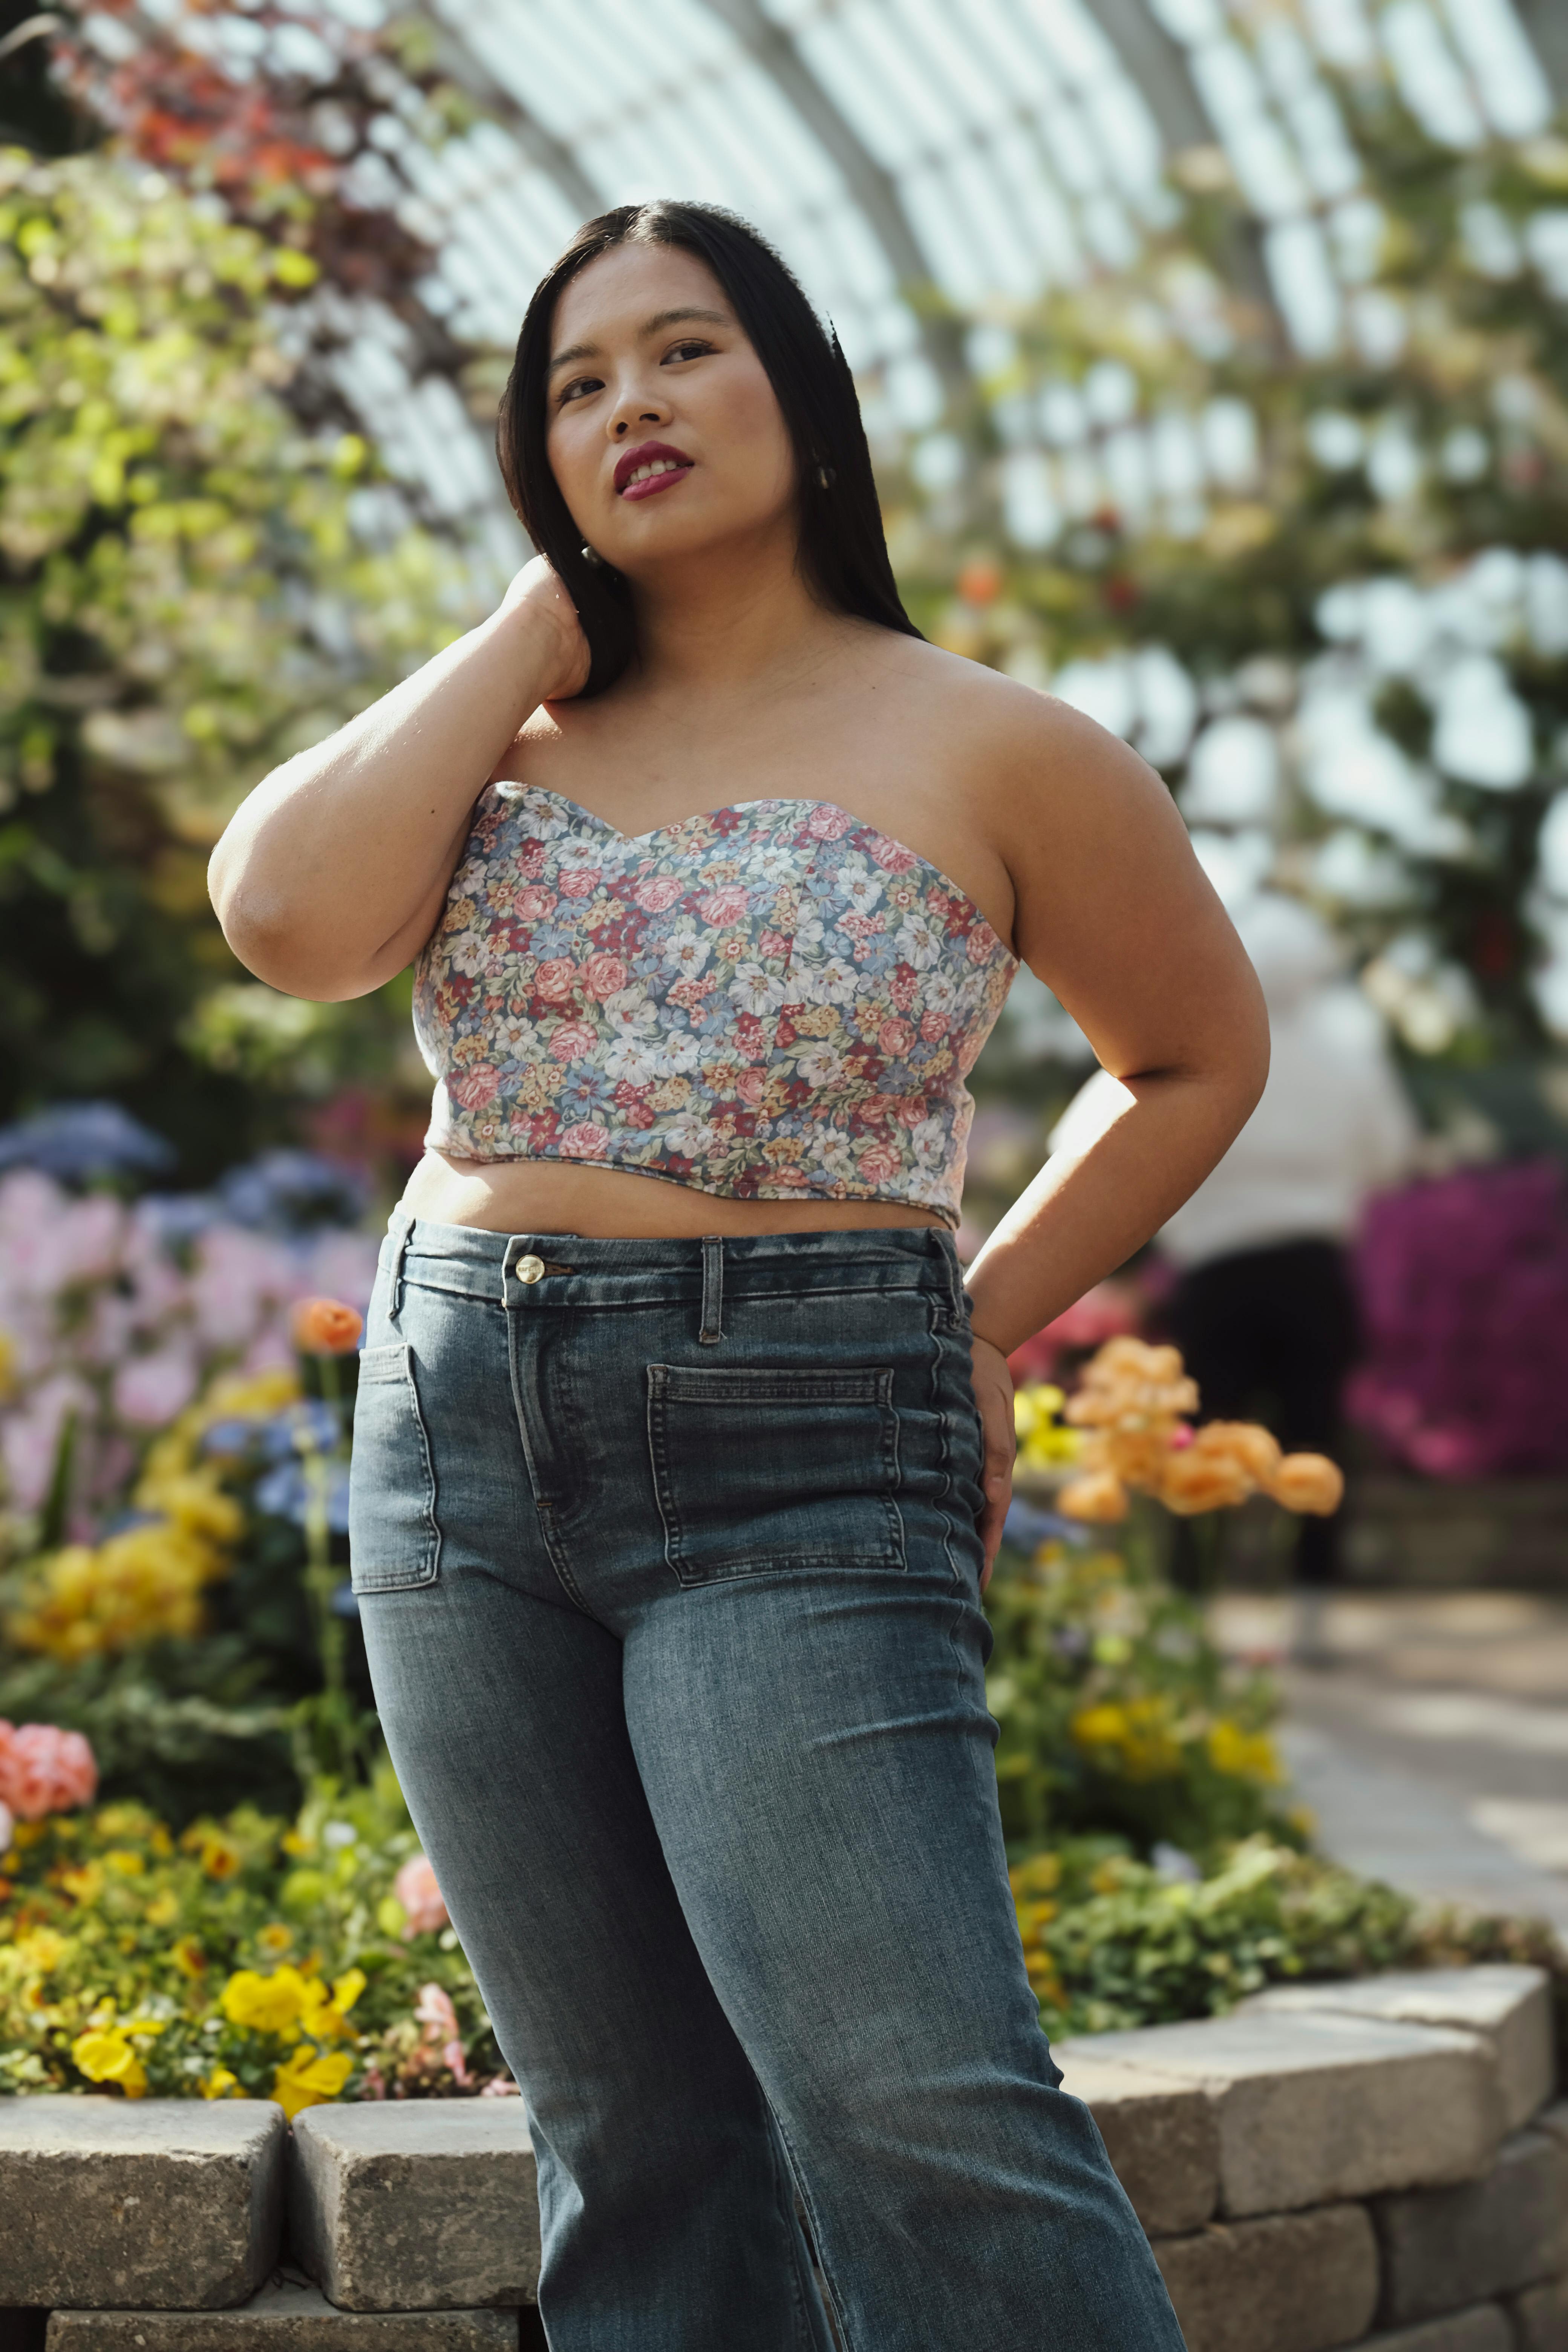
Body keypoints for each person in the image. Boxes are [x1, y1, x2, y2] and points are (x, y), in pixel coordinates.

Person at [209, 200, 1265, 2351]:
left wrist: (980, 1317)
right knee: (626, 2132)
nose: (631, 406)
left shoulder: (995, 742)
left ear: (803, 392)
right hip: (451, 1440)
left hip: (805, 1424)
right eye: (577, 386)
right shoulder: (488, 743)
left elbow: (1191, 1057)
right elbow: (292, 925)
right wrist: (525, 626)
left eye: (684, 353)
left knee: (916, 2110)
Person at [1051, 893, 1415, 1652]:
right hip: (1314, 1272)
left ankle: (1188, 1616)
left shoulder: (1198, 1047)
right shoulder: (1348, 1061)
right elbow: (1391, 1156)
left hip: (1215, 1273)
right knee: (1315, 1444)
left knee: (1198, 1445)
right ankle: (1313, 1614)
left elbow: (1081, 1135)